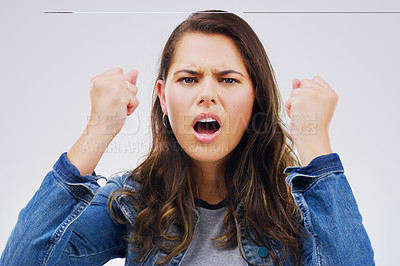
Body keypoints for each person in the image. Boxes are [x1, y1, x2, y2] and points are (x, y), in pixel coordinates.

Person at [1, 10, 374, 265]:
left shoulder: (297, 208)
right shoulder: (133, 202)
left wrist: (315, 147)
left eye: (228, 79)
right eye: (189, 79)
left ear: (255, 97)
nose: (207, 94)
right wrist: (97, 131)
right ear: (163, 98)